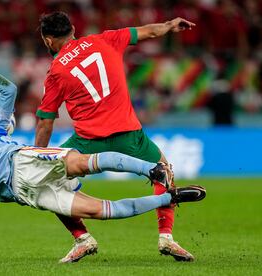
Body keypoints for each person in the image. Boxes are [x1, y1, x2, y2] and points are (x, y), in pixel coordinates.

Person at [0, 54, 206, 261]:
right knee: (102, 211)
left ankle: (151, 169)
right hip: (32, 196)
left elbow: (8, 89)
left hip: (24, 162)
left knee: (82, 163)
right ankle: (170, 198)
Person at [35, 11, 197, 262]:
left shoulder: (56, 72)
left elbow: (45, 122)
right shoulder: (105, 39)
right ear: (74, 29)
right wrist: (169, 25)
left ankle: (82, 238)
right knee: (164, 170)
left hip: (87, 142)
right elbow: (150, 31)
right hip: (129, 135)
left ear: (48, 40)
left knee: (47, 182)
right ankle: (166, 238)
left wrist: (37, 157)